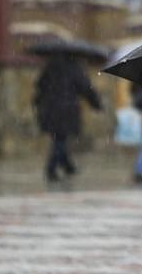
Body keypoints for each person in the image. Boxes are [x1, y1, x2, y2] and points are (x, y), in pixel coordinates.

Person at [33, 54, 102, 182]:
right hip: (66, 110)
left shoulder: (50, 68)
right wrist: (96, 103)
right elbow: (86, 88)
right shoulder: (75, 69)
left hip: (49, 109)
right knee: (60, 140)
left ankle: (68, 166)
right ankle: (51, 168)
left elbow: (39, 86)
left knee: (59, 137)